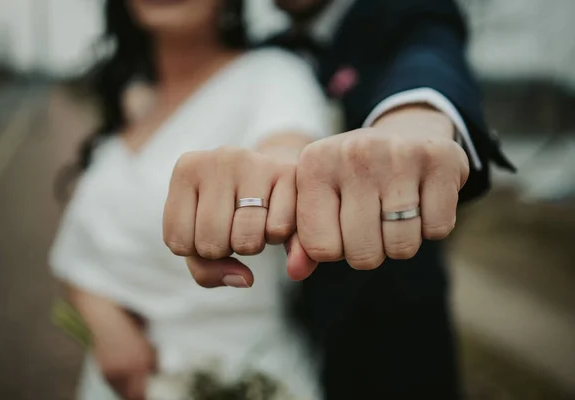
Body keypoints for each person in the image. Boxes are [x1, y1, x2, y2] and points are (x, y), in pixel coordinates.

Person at [164, 0, 516, 398]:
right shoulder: (264, 55)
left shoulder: (410, 12)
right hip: (280, 332)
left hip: (392, 335)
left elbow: (427, 61)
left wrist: (412, 123)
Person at [49, 0, 332, 399]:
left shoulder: (274, 76)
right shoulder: (134, 106)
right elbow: (79, 255)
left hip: (241, 378)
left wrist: (272, 177)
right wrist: (104, 323)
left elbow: (287, 154)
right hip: (113, 382)